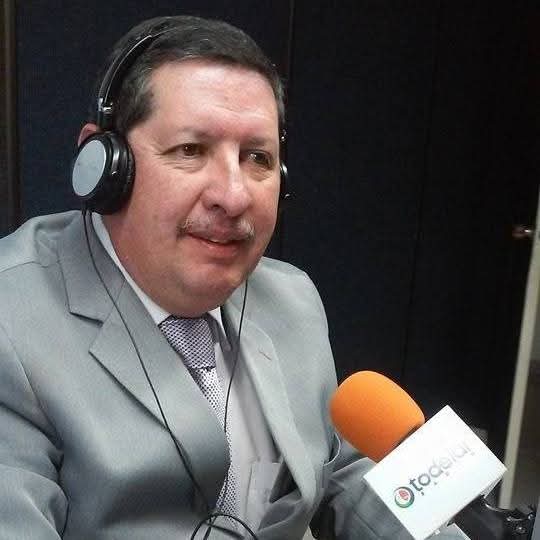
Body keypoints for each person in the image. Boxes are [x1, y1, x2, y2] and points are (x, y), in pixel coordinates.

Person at [0, 15, 469, 539]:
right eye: (191, 150)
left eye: (257, 158)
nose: (234, 194)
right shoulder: (11, 323)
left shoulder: (291, 300)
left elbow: (337, 474)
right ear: (105, 165)